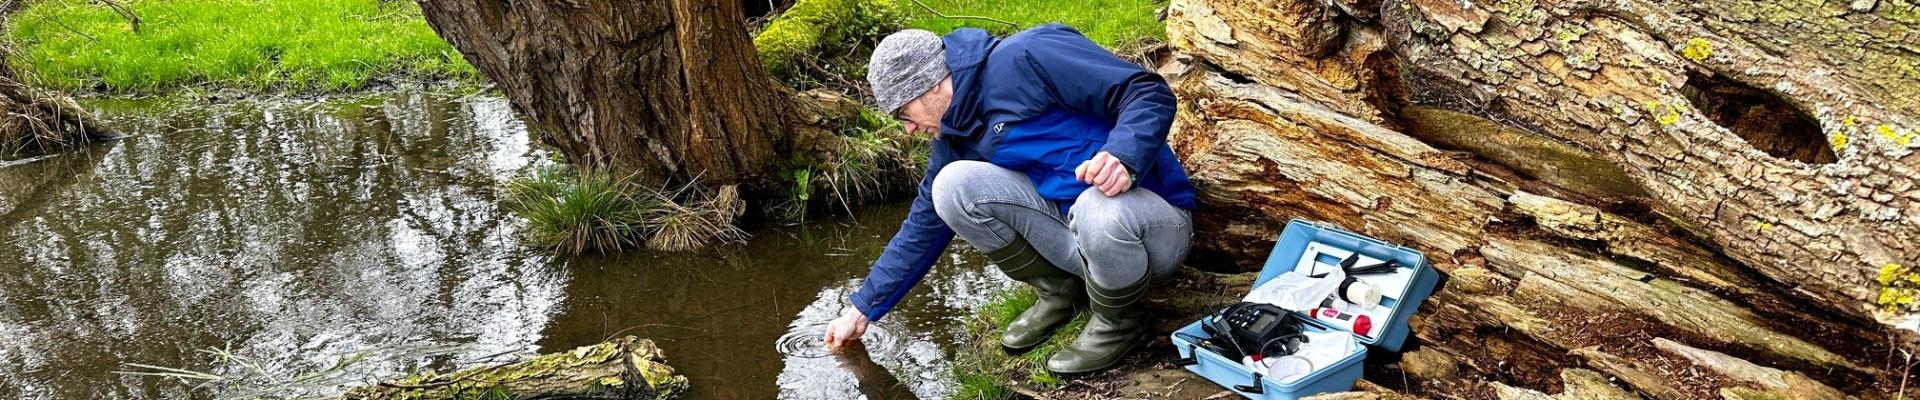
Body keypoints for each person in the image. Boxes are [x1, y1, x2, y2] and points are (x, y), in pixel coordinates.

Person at [821, 24, 1196, 375]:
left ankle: (1121, 321)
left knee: (1095, 205)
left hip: (1152, 228)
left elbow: (1147, 92)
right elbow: (923, 223)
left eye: (904, 113)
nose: (908, 128)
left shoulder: (1029, 55)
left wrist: (1123, 155)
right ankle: (1061, 292)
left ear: (931, 85)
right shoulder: (954, 134)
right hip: (1076, 232)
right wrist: (863, 308)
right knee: (950, 187)